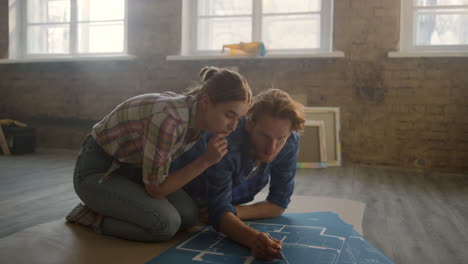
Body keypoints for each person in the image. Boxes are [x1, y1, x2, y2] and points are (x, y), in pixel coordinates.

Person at [65, 66, 252, 242]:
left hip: (132, 170)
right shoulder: (170, 121)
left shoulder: (201, 116)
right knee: (165, 225)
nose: (234, 126)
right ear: (205, 102)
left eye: (239, 118)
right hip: (99, 171)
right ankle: (92, 216)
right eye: (229, 115)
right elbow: (155, 189)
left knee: (189, 217)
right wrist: (205, 161)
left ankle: (116, 205)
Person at [171, 88, 305, 260]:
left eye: (281, 138)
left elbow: (278, 203)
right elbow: (219, 213)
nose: (271, 148)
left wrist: (234, 211)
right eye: (264, 136)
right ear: (249, 124)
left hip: (219, 202)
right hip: (178, 186)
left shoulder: (290, 140)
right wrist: (254, 239)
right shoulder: (226, 142)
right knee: (183, 217)